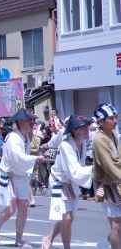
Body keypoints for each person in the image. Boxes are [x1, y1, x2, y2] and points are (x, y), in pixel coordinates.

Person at [0, 109, 45, 246]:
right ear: (21, 122)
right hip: (9, 175)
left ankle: (18, 239)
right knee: (12, 207)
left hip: (20, 175)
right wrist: (36, 158)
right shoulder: (14, 137)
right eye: (29, 121)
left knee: (24, 207)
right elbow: (17, 158)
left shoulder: (25, 136)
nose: (32, 123)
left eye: (32, 121)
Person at [42, 115, 93, 249]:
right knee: (67, 217)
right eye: (84, 127)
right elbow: (74, 170)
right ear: (75, 130)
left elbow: (78, 169)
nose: (88, 130)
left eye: (88, 126)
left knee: (68, 217)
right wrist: (96, 168)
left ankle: (49, 238)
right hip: (59, 182)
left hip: (71, 181)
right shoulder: (66, 145)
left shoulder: (82, 143)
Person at [92, 103, 121, 249]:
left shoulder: (113, 134)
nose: (115, 120)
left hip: (117, 184)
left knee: (118, 226)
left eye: (115, 117)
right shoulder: (99, 139)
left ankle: (105, 245)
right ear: (101, 122)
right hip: (107, 186)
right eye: (111, 118)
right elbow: (109, 166)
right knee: (116, 225)